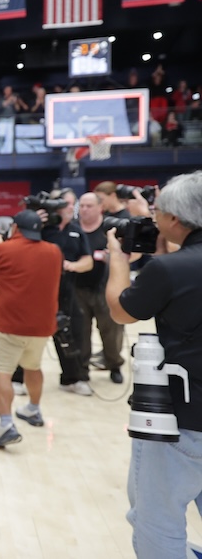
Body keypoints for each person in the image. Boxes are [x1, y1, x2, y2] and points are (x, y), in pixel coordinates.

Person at [105, 171, 202, 557]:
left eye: (157, 212)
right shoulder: (174, 266)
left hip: (182, 417)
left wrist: (117, 258)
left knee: (156, 519)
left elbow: (121, 310)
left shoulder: (169, 270)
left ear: (175, 220)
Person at [0, 211, 63, 449]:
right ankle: (34, 409)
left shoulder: (4, 249)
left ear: (15, 227)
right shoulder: (54, 251)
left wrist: (0, 245)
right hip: (42, 326)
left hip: (10, 324)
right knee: (33, 367)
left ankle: (5, 424)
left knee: (2, 373)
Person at [40, 189, 94, 396]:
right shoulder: (43, 229)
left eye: (74, 203)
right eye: (68, 203)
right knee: (29, 335)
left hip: (68, 292)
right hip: (41, 293)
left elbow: (87, 261)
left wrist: (71, 265)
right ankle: (19, 378)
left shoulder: (76, 230)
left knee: (73, 334)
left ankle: (72, 378)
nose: (72, 207)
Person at [76, 192, 125, 384]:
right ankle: (82, 369)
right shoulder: (73, 229)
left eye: (89, 206)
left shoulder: (109, 229)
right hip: (78, 288)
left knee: (111, 331)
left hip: (104, 288)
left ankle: (114, 364)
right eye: (82, 206)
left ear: (100, 208)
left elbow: (125, 254)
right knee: (81, 332)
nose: (85, 209)